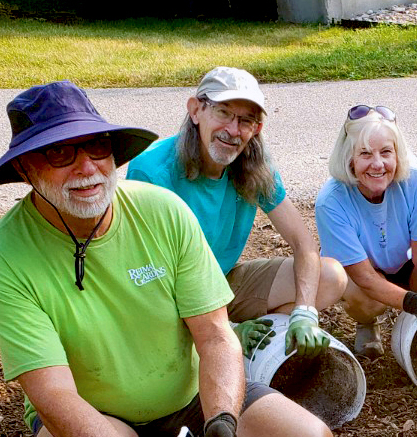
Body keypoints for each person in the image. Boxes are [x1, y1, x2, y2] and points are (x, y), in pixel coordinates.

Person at [0, 81, 336, 437]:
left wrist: (222, 414)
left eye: (96, 147)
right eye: (61, 154)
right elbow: (53, 394)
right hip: (99, 415)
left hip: (187, 400)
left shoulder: (162, 211)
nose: (87, 168)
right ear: (26, 168)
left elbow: (215, 334)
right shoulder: (1, 254)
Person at [127, 66, 347, 359]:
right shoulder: (152, 172)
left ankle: (253, 346)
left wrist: (304, 312)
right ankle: (221, 343)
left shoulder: (255, 166)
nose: (233, 130)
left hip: (221, 283)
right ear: (196, 111)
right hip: (168, 298)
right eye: (223, 113)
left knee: (331, 275)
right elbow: (150, 279)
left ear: (257, 129)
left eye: (246, 120)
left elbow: (303, 244)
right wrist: (225, 328)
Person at [314, 104, 417, 359]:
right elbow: (365, 278)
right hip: (362, 272)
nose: (378, 164)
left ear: (398, 154)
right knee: (367, 301)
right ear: (349, 158)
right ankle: (367, 323)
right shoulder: (331, 201)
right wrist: (416, 303)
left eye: (386, 152)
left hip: (407, 261)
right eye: (365, 153)